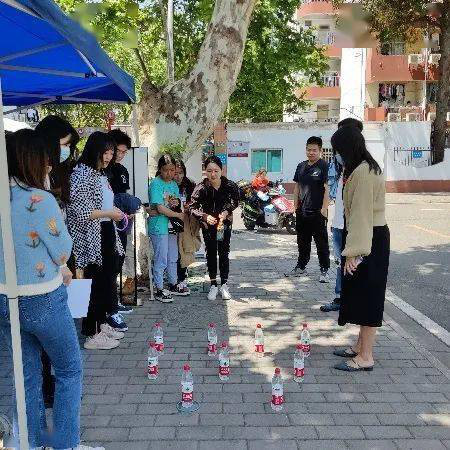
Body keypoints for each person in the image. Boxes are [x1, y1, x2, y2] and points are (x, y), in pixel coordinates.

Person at [0, 130, 102, 450]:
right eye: (45, 159)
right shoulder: (39, 199)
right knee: (69, 369)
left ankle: (31, 443)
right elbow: (61, 251)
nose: (49, 165)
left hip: (5, 299)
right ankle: (65, 443)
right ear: (31, 160)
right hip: (43, 298)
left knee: (26, 376)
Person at [331, 126, 389, 372]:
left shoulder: (364, 172)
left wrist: (354, 253)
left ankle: (366, 356)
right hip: (367, 236)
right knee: (362, 294)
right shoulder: (362, 168)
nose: (336, 155)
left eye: (337, 150)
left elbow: (361, 215)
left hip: (368, 238)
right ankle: (359, 346)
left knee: (369, 297)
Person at [35, 114, 79, 408]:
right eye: (64, 144)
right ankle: (48, 387)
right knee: (66, 363)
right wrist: (63, 261)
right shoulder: (35, 180)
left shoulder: (54, 173)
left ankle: (46, 384)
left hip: (56, 263)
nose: (67, 151)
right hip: (46, 268)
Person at [67, 132, 127, 350]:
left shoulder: (99, 173)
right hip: (91, 237)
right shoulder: (81, 174)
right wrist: (110, 213)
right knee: (94, 284)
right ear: (95, 151)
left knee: (105, 281)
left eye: (111, 152)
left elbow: (103, 204)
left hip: (105, 231)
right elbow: (82, 212)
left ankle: (101, 324)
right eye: (106, 152)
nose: (109, 157)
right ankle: (92, 333)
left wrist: (114, 212)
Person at [321, 118, 364, 313]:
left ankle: (355, 300)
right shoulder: (339, 165)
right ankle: (340, 298)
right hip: (338, 223)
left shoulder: (362, 168)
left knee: (355, 264)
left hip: (353, 226)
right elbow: (331, 189)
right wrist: (327, 212)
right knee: (340, 262)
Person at [189, 155, 240, 301]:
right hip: (208, 226)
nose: (213, 174)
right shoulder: (201, 187)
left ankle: (224, 284)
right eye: (209, 171)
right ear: (205, 171)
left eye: (216, 171)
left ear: (221, 170)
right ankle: (213, 285)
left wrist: (227, 211)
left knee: (224, 253)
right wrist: (204, 216)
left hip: (224, 225)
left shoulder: (229, 185)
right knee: (211, 254)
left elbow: (235, 201)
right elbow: (192, 207)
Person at [285, 136, 330, 282]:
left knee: (321, 243)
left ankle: (324, 269)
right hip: (302, 212)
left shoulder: (324, 166)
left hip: (318, 212)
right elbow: (297, 186)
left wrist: (324, 209)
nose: (311, 152)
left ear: (320, 150)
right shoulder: (301, 166)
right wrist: (295, 206)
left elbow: (327, 188)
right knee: (302, 242)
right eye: (309, 150)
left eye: (314, 150)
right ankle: (301, 266)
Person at [146, 155, 185, 303]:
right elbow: (160, 208)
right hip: (159, 226)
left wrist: (175, 204)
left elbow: (173, 202)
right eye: (165, 170)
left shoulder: (174, 184)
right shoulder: (156, 184)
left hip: (171, 226)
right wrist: (177, 214)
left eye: (172, 170)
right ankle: (159, 288)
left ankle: (173, 284)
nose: (169, 173)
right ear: (160, 170)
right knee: (161, 257)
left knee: (172, 256)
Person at [106, 129, 135, 311]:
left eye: (124, 152)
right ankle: (107, 305)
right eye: (118, 151)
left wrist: (128, 210)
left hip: (121, 222)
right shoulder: (100, 170)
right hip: (103, 222)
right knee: (107, 264)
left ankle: (113, 301)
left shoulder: (122, 170)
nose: (120, 155)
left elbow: (123, 195)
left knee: (119, 260)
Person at [173, 159, 198, 295]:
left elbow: (196, 202)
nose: (178, 176)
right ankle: (175, 279)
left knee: (184, 249)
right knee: (174, 251)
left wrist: (190, 206)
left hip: (186, 223)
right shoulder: (167, 184)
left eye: (181, 173)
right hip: (170, 221)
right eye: (175, 173)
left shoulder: (190, 184)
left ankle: (181, 278)